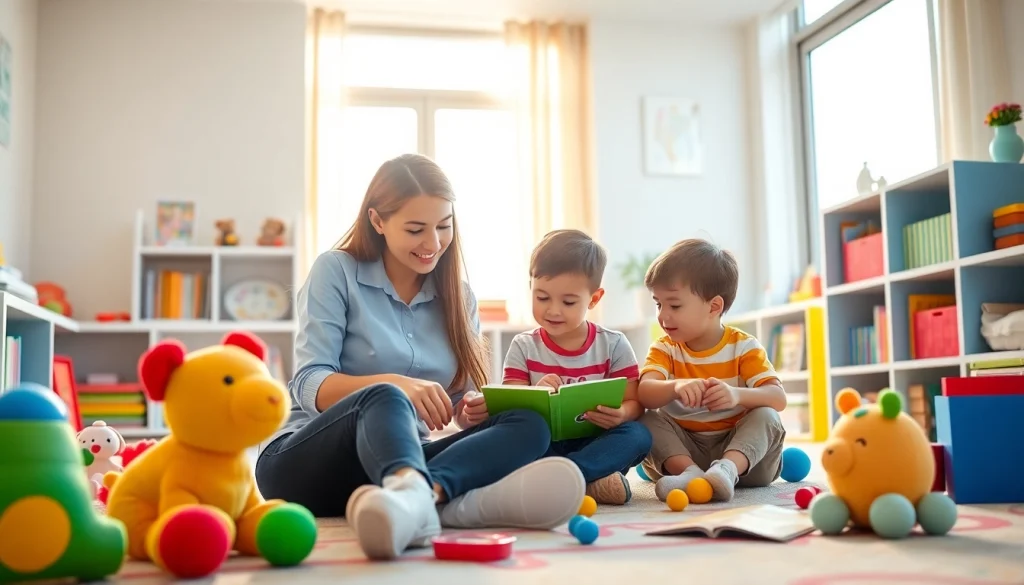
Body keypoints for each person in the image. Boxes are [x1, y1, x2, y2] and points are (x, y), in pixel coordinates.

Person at [254, 154, 585, 561]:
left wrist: (478, 407)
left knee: (529, 424)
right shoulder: (335, 271)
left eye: (443, 227)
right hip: (305, 463)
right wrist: (397, 385)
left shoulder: (459, 297)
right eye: (415, 229)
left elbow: (463, 406)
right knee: (384, 394)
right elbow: (309, 383)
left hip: (393, 466)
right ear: (377, 221)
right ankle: (460, 503)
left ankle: (424, 496)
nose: (433, 244)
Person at [501, 229, 652, 506]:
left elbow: (636, 403)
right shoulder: (523, 346)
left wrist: (621, 414)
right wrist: (536, 392)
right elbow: (509, 408)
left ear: (594, 299)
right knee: (512, 437)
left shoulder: (614, 344)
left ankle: (564, 477)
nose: (553, 310)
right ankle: (589, 482)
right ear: (530, 287)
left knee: (639, 435)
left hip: (596, 444)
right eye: (542, 297)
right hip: (543, 445)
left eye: (568, 302)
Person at [636, 238, 788, 502]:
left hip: (746, 461)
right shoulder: (665, 348)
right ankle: (690, 474)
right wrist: (675, 387)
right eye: (658, 304)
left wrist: (737, 395)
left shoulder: (744, 347)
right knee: (644, 418)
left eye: (674, 305)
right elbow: (645, 393)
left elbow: (778, 398)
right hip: (683, 453)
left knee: (768, 415)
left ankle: (726, 470)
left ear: (714, 306)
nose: (663, 316)